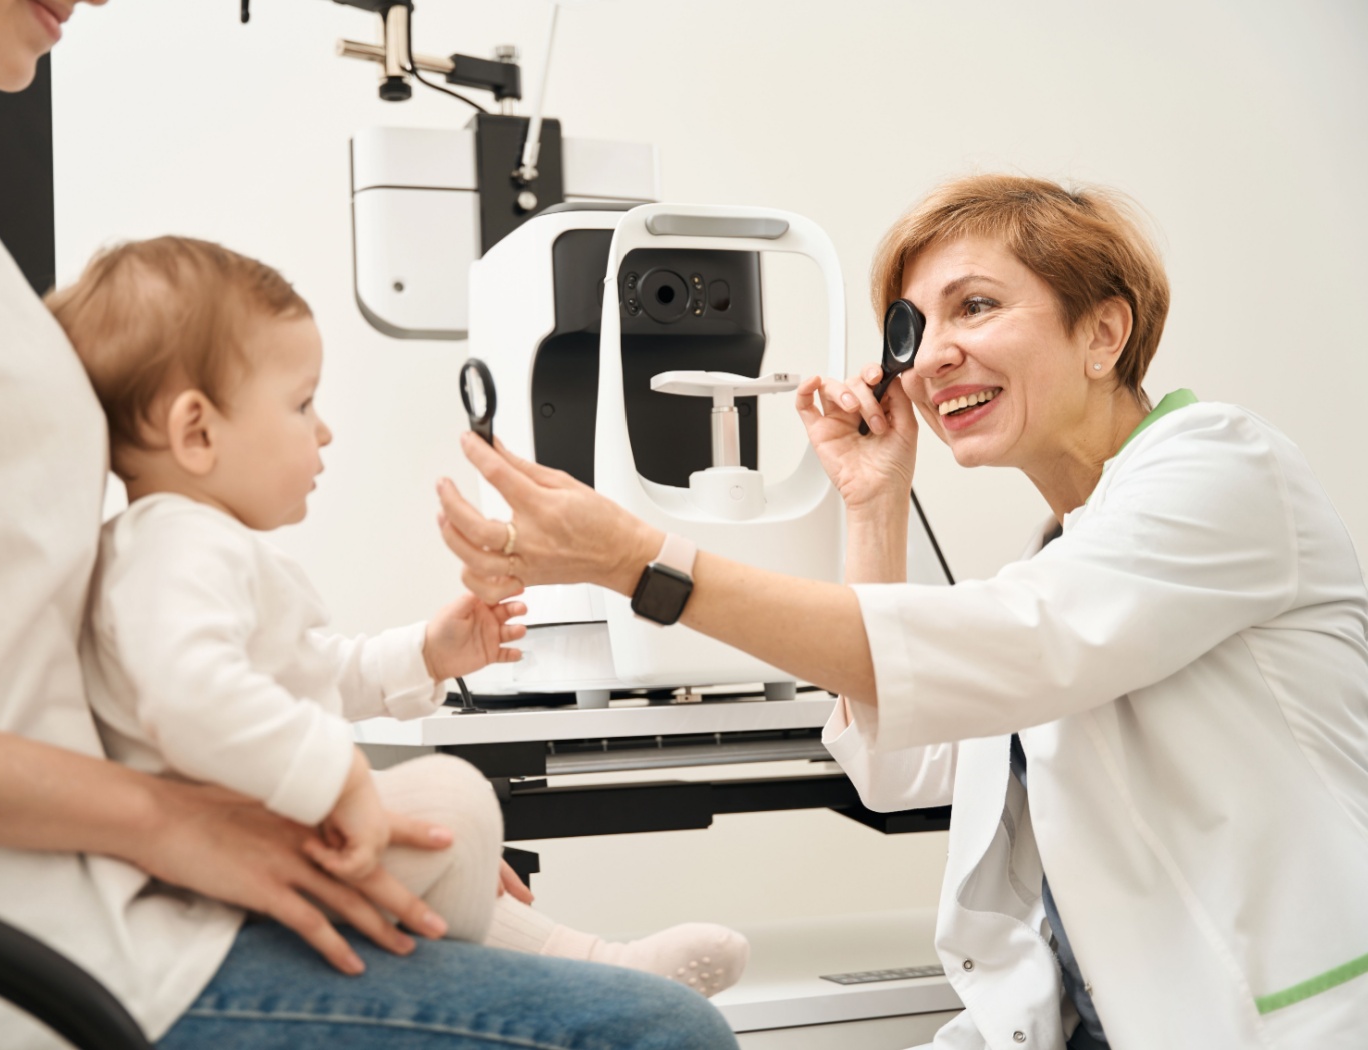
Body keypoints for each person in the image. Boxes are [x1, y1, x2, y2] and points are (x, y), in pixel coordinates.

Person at [0, 1, 738, 1047]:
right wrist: (177, 821)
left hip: (93, 908)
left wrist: (338, 814)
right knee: (658, 1035)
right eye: (300, 405)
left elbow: (22, 668)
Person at [436, 174, 1368, 1049]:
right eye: (912, 327)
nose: (931, 355)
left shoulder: (1222, 469)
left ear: (1104, 333)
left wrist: (640, 563)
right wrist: (873, 504)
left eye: (977, 305)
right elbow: (905, 768)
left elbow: (1016, 643)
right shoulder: (1066, 552)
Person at [47, 234, 750, 997]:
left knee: (449, 823)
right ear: (197, 432)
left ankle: (595, 966)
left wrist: (426, 654)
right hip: (219, 886)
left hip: (253, 852)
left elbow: (307, 676)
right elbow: (189, 695)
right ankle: (583, 971)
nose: (323, 431)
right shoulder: (175, 548)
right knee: (451, 807)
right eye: (301, 404)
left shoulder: (193, 549)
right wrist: (338, 778)